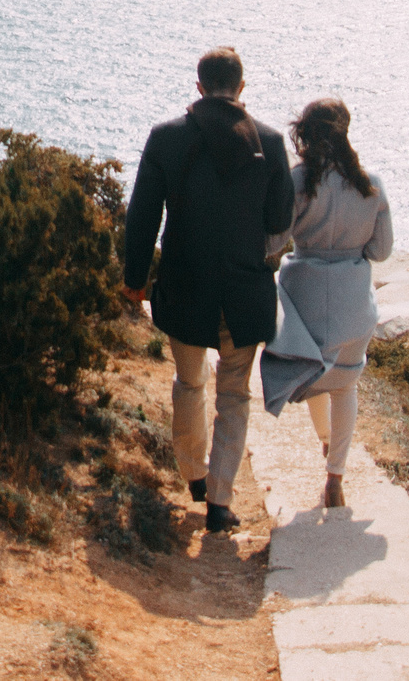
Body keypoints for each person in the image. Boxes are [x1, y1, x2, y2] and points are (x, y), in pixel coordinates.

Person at [121, 47, 294, 536]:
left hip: (183, 288)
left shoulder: (166, 138)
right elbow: (280, 221)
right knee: (234, 397)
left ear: (199, 87)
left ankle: (193, 474)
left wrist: (136, 278)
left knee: (189, 383)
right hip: (243, 291)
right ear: (241, 87)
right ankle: (219, 500)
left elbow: (143, 215)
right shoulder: (271, 142)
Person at [260, 97, 394, 510]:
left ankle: (324, 442)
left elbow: (275, 241)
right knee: (345, 384)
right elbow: (382, 250)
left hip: (305, 299)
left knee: (312, 372)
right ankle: (335, 475)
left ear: (307, 131)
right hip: (355, 302)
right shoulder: (371, 183)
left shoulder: (297, 181)